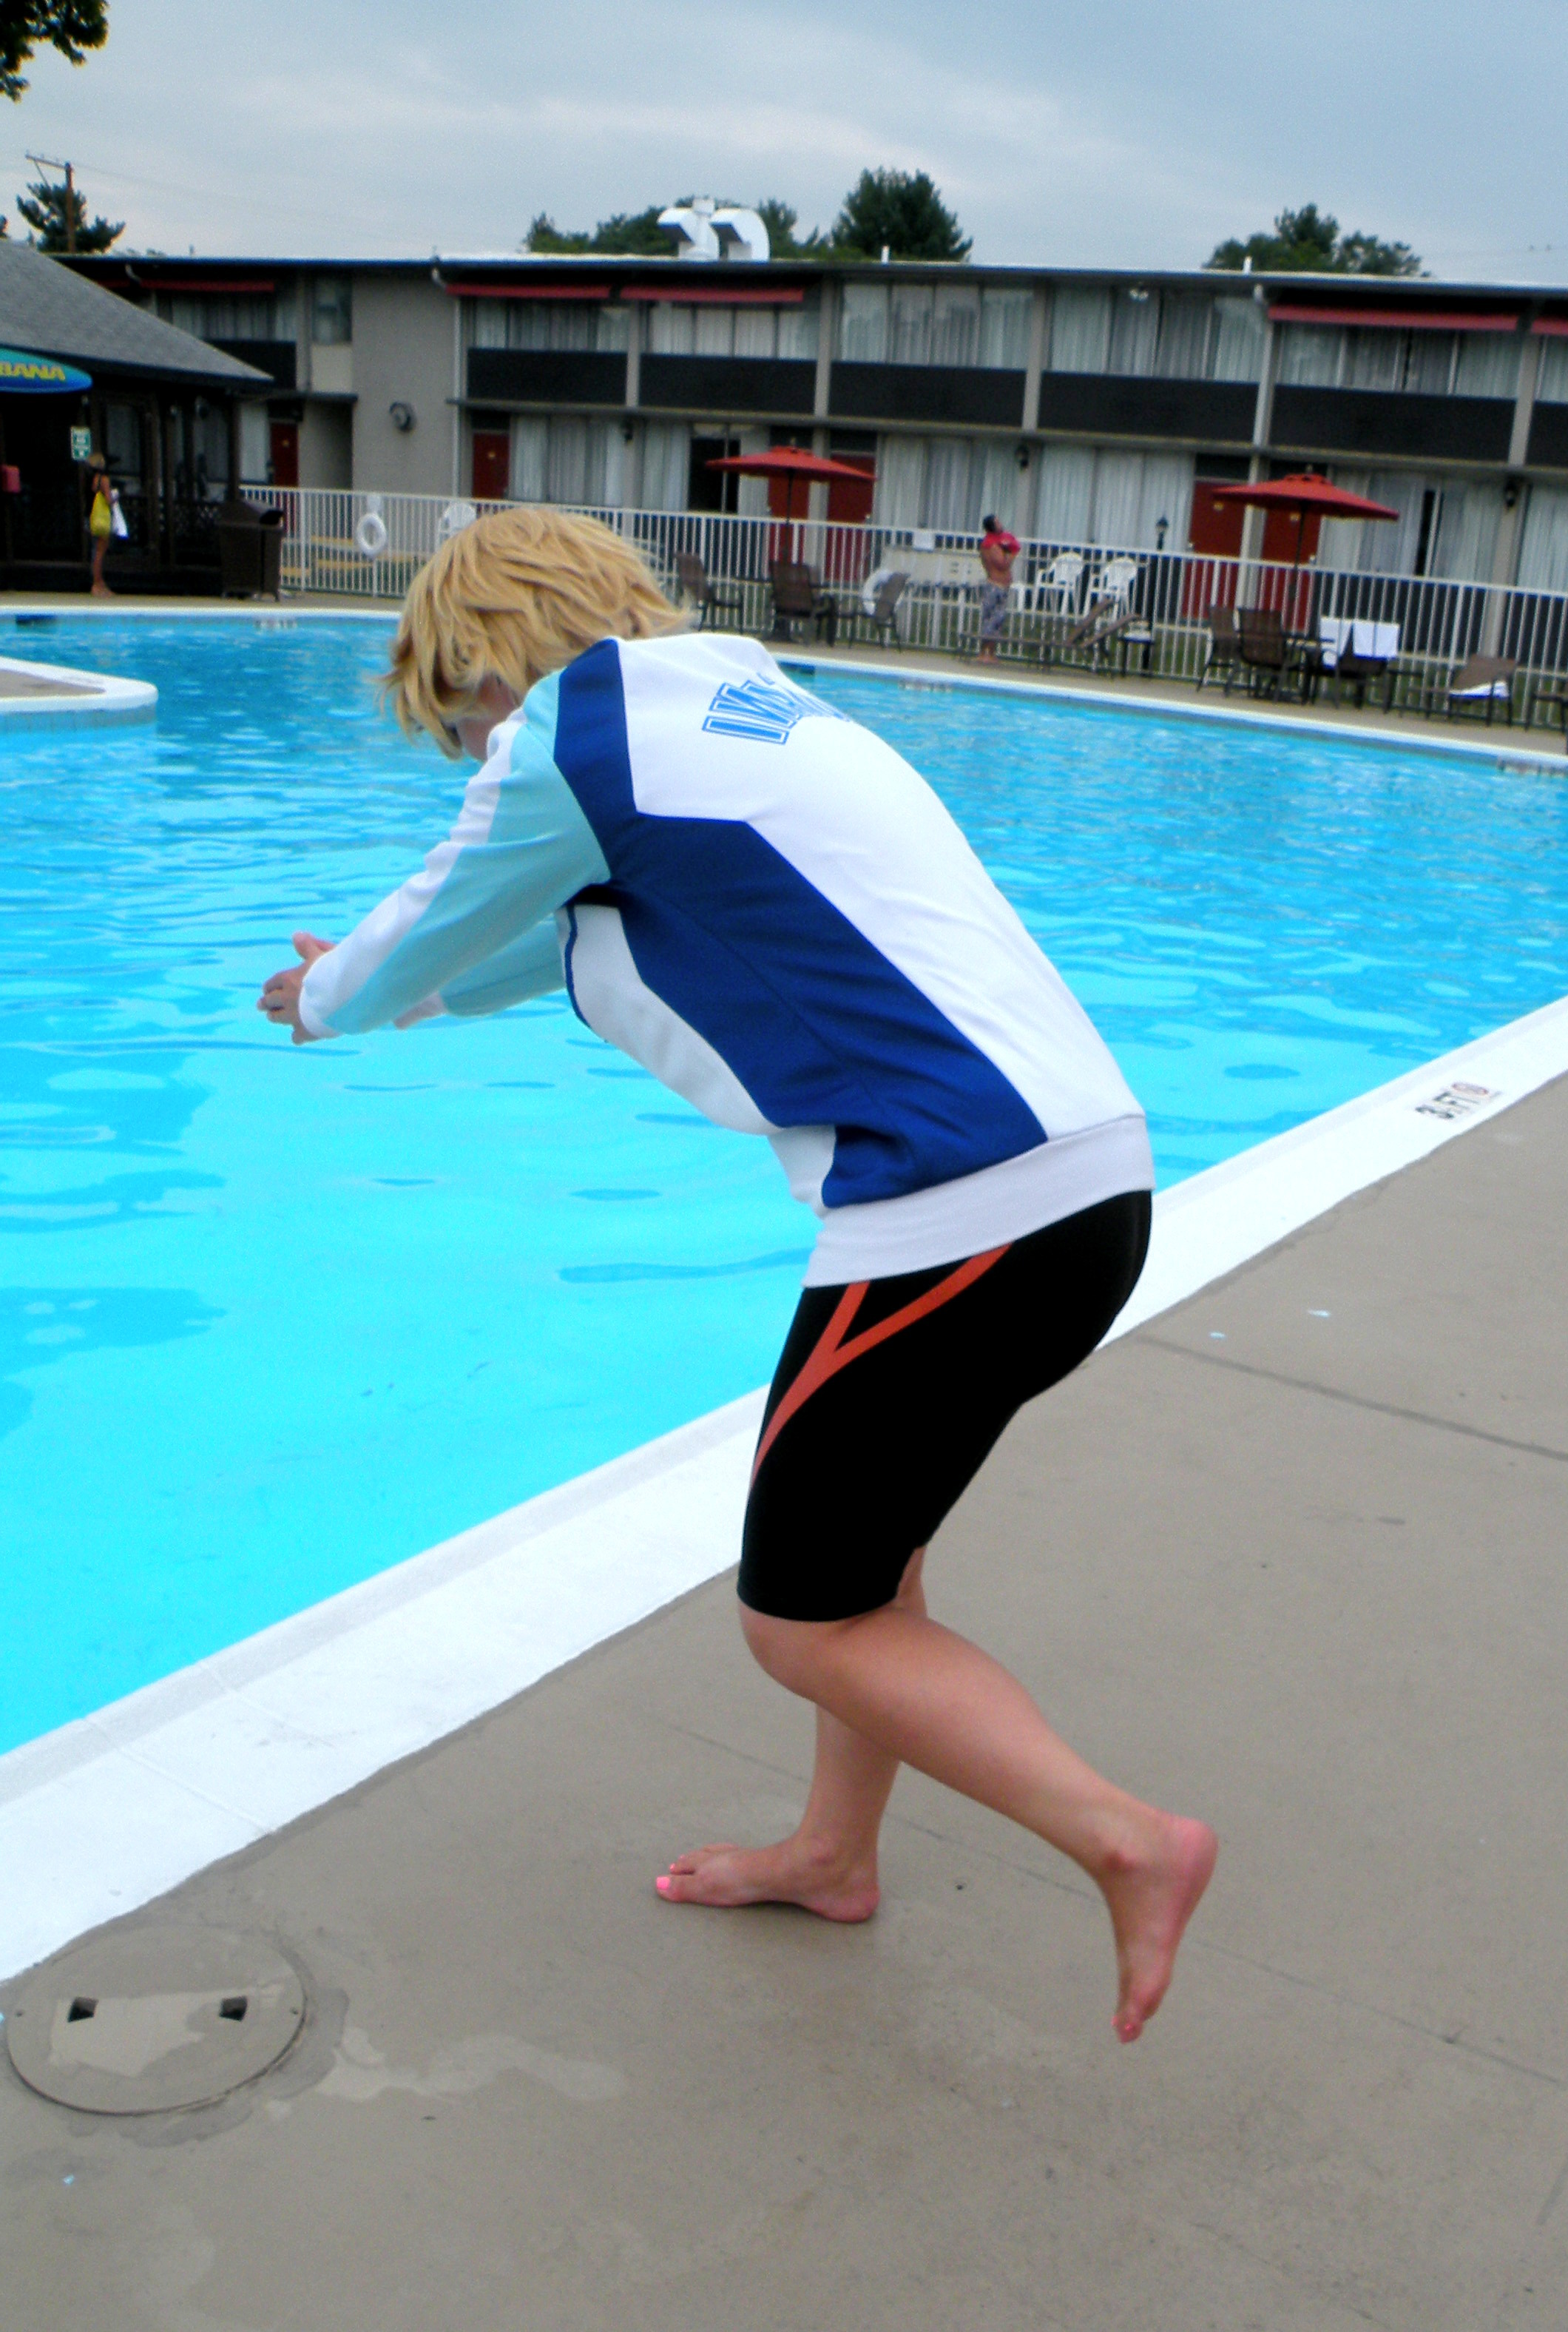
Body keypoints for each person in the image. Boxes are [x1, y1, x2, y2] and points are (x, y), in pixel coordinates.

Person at [257, 508, 1216, 2041]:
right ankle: (835, 1856)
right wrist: (402, 995)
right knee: (869, 1561)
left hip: (961, 1208)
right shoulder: (730, 710)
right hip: (1080, 1182)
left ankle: (1126, 1839)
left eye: (462, 726)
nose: (472, 761)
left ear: (493, 659)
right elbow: (549, 943)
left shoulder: (574, 729)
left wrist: (324, 999)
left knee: (799, 1617)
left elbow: (425, 921)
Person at [978, 510, 1019, 662]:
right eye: (997, 522)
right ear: (992, 527)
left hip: (1000, 586)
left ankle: (991, 653)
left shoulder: (991, 544)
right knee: (991, 620)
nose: (1001, 524)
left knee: (997, 621)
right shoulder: (993, 546)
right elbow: (1002, 565)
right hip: (995, 587)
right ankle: (984, 653)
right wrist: (1012, 553)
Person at [85, 452, 112, 599]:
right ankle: (97, 584)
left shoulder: (89, 480)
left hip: (91, 517)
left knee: (95, 550)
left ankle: (99, 583)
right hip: (101, 518)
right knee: (100, 552)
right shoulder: (103, 479)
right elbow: (108, 499)